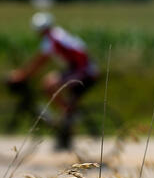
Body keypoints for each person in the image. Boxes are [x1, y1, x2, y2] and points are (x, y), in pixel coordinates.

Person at [8, 12, 99, 149]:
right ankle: (66, 117)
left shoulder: (53, 38)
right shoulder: (56, 35)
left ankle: (69, 113)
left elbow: (39, 61)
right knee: (48, 82)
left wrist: (22, 75)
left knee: (49, 85)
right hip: (78, 68)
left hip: (84, 70)